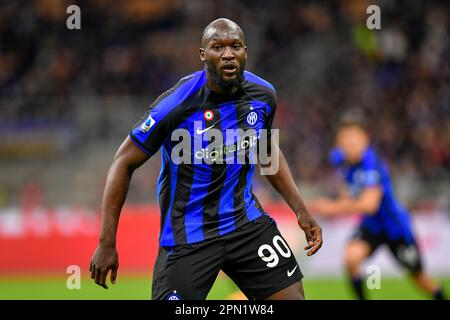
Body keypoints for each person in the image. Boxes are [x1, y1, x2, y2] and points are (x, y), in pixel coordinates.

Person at [89, 18, 322, 300]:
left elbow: (268, 152)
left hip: (244, 225)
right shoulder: (176, 105)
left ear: (245, 52)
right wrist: (107, 241)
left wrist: (300, 210)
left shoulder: (263, 96)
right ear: (203, 55)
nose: (227, 54)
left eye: (235, 46)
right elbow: (123, 162)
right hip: (188, 238)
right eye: (217, 47)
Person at [309, 111, 445, 300]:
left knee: (420, 279)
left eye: (354, 138)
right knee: (351, 258)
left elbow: (369, 205)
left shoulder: (371, 163)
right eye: (345, 138)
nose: (349, 143)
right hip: (372, 226)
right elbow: (348, 194)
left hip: (395, 228)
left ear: (366, 139)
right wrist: (334, 203)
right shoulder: (341, 160)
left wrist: (331, 207)